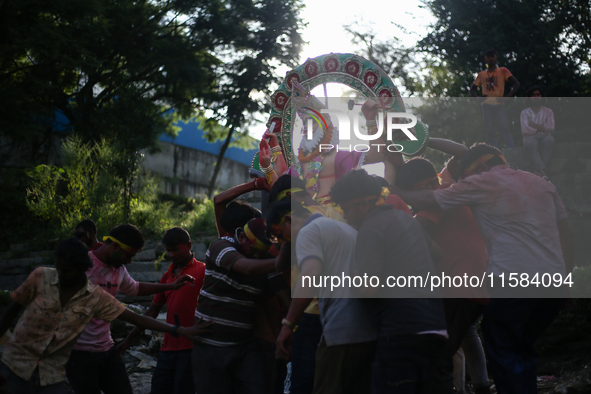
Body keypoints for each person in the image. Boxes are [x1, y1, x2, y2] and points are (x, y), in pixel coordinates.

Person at [389, 143, 576, 394]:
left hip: (512, 282)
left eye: (467, 176)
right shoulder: (543, 183)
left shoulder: (481, 182)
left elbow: (423, 198)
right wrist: (565, 278)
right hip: (551, 284)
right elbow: (567, 235)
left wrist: (387, 189)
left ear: (484, 167)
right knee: (521, 348)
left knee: (503, 348)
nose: (465, 181)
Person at [0, 238, 211, 394]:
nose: (62, 276)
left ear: (83, 270)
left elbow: (135, 317)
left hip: (51, 375)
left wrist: (178, 330)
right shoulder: (40, 276)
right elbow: (11, 311)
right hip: (14, 365)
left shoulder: (95, 297)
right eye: (60, 269)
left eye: (68, 271)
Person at [329, 169, 449, 394]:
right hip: (436, 327)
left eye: (346, 209)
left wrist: (347, 278)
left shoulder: (370, 228)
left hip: (401, 332)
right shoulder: (406, 218)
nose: (345, 216)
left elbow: (368, 288)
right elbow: (438, 254)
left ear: (364, 204)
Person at [395, 158, 490, 394]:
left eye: (412, 194)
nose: (412, 202)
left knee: (436, 353)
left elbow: (412, 236)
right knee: (464, 335)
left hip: (461, 285)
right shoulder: (448, 193)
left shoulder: (437, 198)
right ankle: (481, 386)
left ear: (427, 185)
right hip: (473, 283)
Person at [66, 224, 195, 394]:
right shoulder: (83, 267)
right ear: (115, 246)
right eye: (128, 255)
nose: (129, 261)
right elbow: (136, 318)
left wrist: (170, 286)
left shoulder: (119, 270)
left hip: (106, 347)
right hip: (78, 353)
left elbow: (135, 288)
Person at [269, 199, 377, 394]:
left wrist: (288, 324)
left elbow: (310, 276)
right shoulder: (348, 230)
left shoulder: (308, 231)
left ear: (288, 220)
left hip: (340, 329)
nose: (283, 243)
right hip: (367, 330)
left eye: (280, 236)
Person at [192, 218, 289, 394]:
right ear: (242, 237)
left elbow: (284, 296)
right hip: (209, 345)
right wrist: (281, 262)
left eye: (261, 252)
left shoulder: (265, 261)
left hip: (243, 346)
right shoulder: (221, 247)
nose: (257, 256)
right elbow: (246, 267)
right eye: (253, 250)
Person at [118, 227, 206, 394]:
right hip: (167, 350)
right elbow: (151, 312)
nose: (171, 254)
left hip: (191, 349)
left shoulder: (202, 271)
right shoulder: (167, 277)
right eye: (169, 251)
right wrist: (129, 339)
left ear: (188, 245)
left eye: (175, 249)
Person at [470, 49, 520, 148]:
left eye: (492, 56)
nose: (490, 58)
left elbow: (517, 84)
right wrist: (478, 97)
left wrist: (507, 97)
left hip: (499, 104)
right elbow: (472, 89)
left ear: (496, 58)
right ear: (485, 59)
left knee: (504, 127)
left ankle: (511, 148)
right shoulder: (482, 74)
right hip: (486, 105)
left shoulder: (503, 70)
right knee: (490, 130)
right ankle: (493, 150)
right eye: (488, 57)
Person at [521, 86, 555, 179]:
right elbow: (525, 129)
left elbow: (551, 128)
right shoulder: (524, 113)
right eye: (533, 95)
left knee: (550, 140)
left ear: (541, 96)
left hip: (545, 136)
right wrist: (542, 128)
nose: (536, 97)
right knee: (530, 143)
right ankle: (542, 172)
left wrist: (535, 125)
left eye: (538, 94)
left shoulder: (548, 111)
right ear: (529, 97)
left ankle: (538, 170)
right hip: (530, 137)